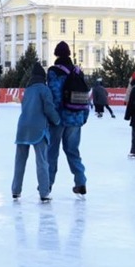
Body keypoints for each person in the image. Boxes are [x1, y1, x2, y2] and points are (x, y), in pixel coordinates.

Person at [12, 62, 61, 202]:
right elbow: (49, 109)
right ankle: (44, 192)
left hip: (22, 128)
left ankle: (16, 190)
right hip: (38, 129)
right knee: (42, 161)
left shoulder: (28, 90)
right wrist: (57, 121)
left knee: (19, 160)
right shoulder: (44, 89)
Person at [46, 41, 89, 196]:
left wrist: (53, 117)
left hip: (59, 119)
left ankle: (47, 184)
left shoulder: (54, 71)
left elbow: (55, 95)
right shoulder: (78, 71)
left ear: (56, 54)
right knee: (73, 151)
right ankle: (81, 182)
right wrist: (84, 116)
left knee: (52, 152)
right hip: (76, 118)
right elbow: (85, 95)